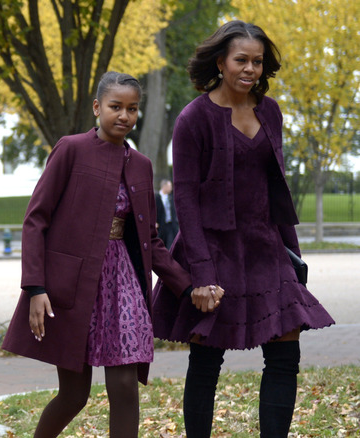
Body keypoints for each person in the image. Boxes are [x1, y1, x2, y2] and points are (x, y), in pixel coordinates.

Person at [1, 72, 218, 438]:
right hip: (73, 287)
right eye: (116, 107)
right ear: (98, 107)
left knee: (124, 387)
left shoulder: (142, 165)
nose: (125, 116)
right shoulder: (70, 149)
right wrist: (35, 288)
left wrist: (188, 286)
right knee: (74, 395)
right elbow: (35, 220)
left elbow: (150, 239)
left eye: (132, 109)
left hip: (124, 284)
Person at [150, 21, 335, 438]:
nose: (251, 68)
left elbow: (277, 186)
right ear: (221, 62)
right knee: (207, 360)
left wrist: (295, 256)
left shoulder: (270, 111)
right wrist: (201, 273)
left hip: (266, 246)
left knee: (285, 355)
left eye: (258, 61)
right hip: (212, 251)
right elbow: (185, 200)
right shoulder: (193, 119)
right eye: (241, 60)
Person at [154, 179, 178, 249]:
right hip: (161, 225)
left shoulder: (171, 197)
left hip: (170, 224)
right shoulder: (157, 197)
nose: (171, 188)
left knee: (170, 243)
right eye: (169, 186)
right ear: (164, 187)